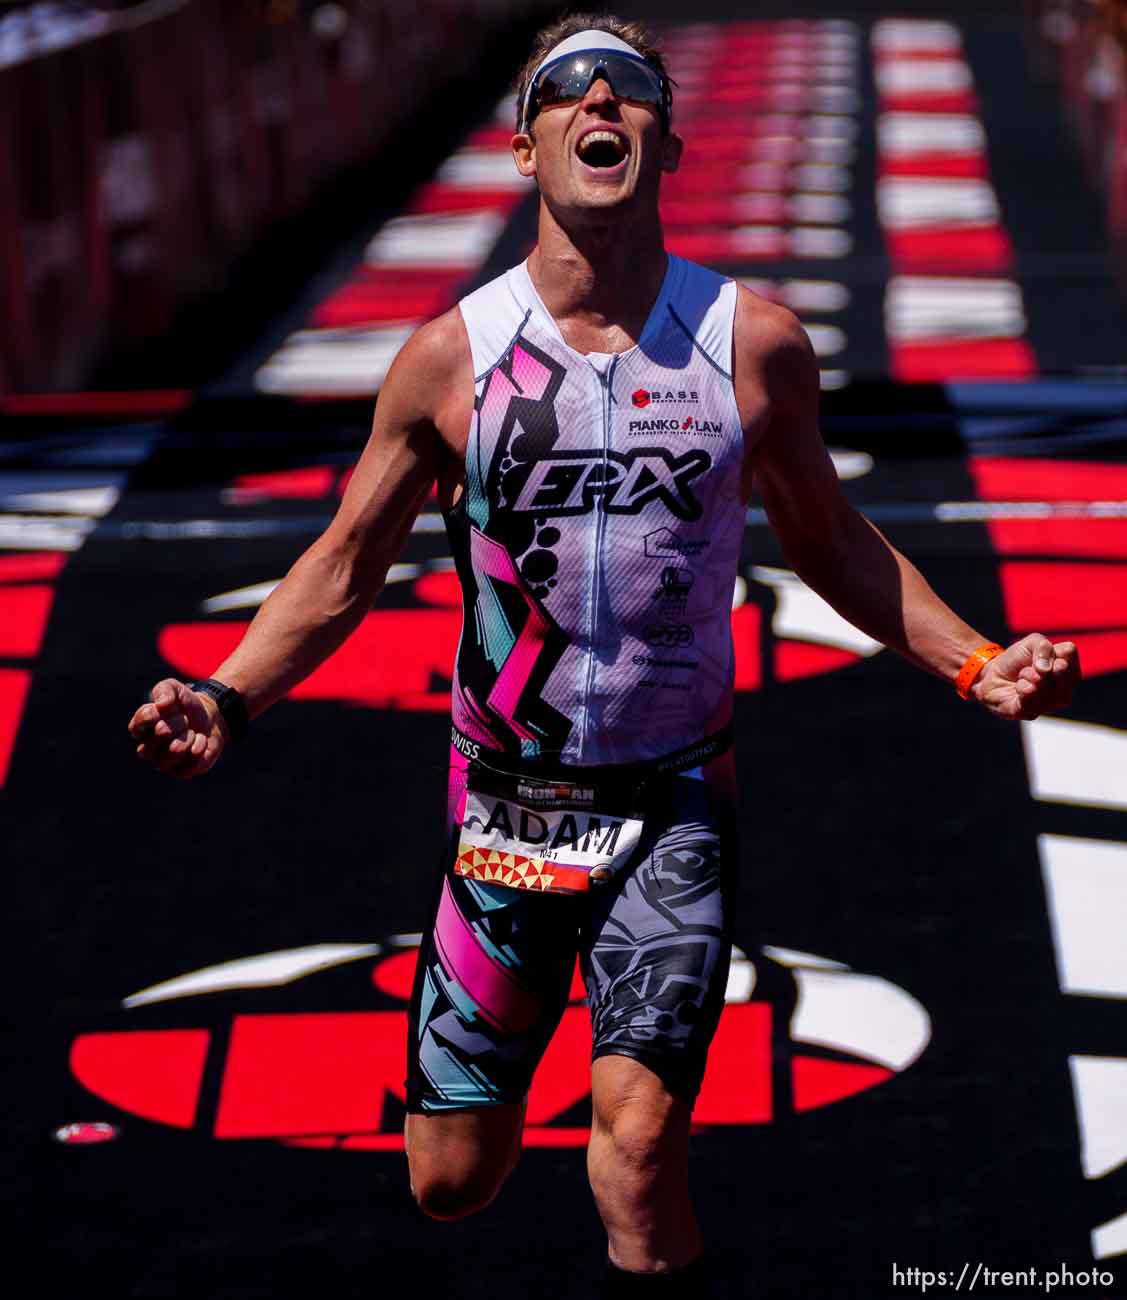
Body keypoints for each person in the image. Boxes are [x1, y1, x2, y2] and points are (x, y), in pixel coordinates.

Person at [128, 14, 1081, 1296]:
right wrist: (225, 695)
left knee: (636, 1154)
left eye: (628, 88)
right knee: (448, 1177)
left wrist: (974, 661)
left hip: (670, 803)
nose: (600, 101)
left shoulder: (750, 346)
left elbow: (832, 542)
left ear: (667, 140)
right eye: (566, 89)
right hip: (505, 808)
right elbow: (342, 563)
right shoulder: (447, 362)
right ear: (525, 148)